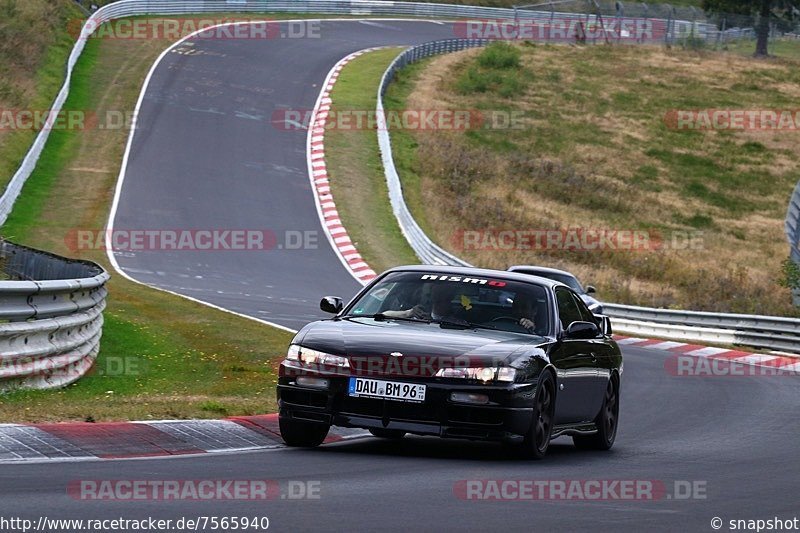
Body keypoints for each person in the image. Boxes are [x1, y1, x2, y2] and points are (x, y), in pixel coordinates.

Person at [383, 283, 457, 321]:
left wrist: (433, 322)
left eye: (442, 295)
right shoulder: (419, 313)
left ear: (450, 298)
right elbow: (383, 315)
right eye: (431, 296)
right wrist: (408, 313)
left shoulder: (457, 322)